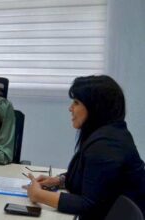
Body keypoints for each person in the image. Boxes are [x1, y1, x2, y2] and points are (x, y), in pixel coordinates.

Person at [26, 75, 145, 219]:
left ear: (95, 107)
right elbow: (92, 177)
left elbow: (89, 204)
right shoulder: (110, 133)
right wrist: (60, 180)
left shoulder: (106, 145)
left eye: (76, 102)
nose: (70, 108)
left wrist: (38, 195)